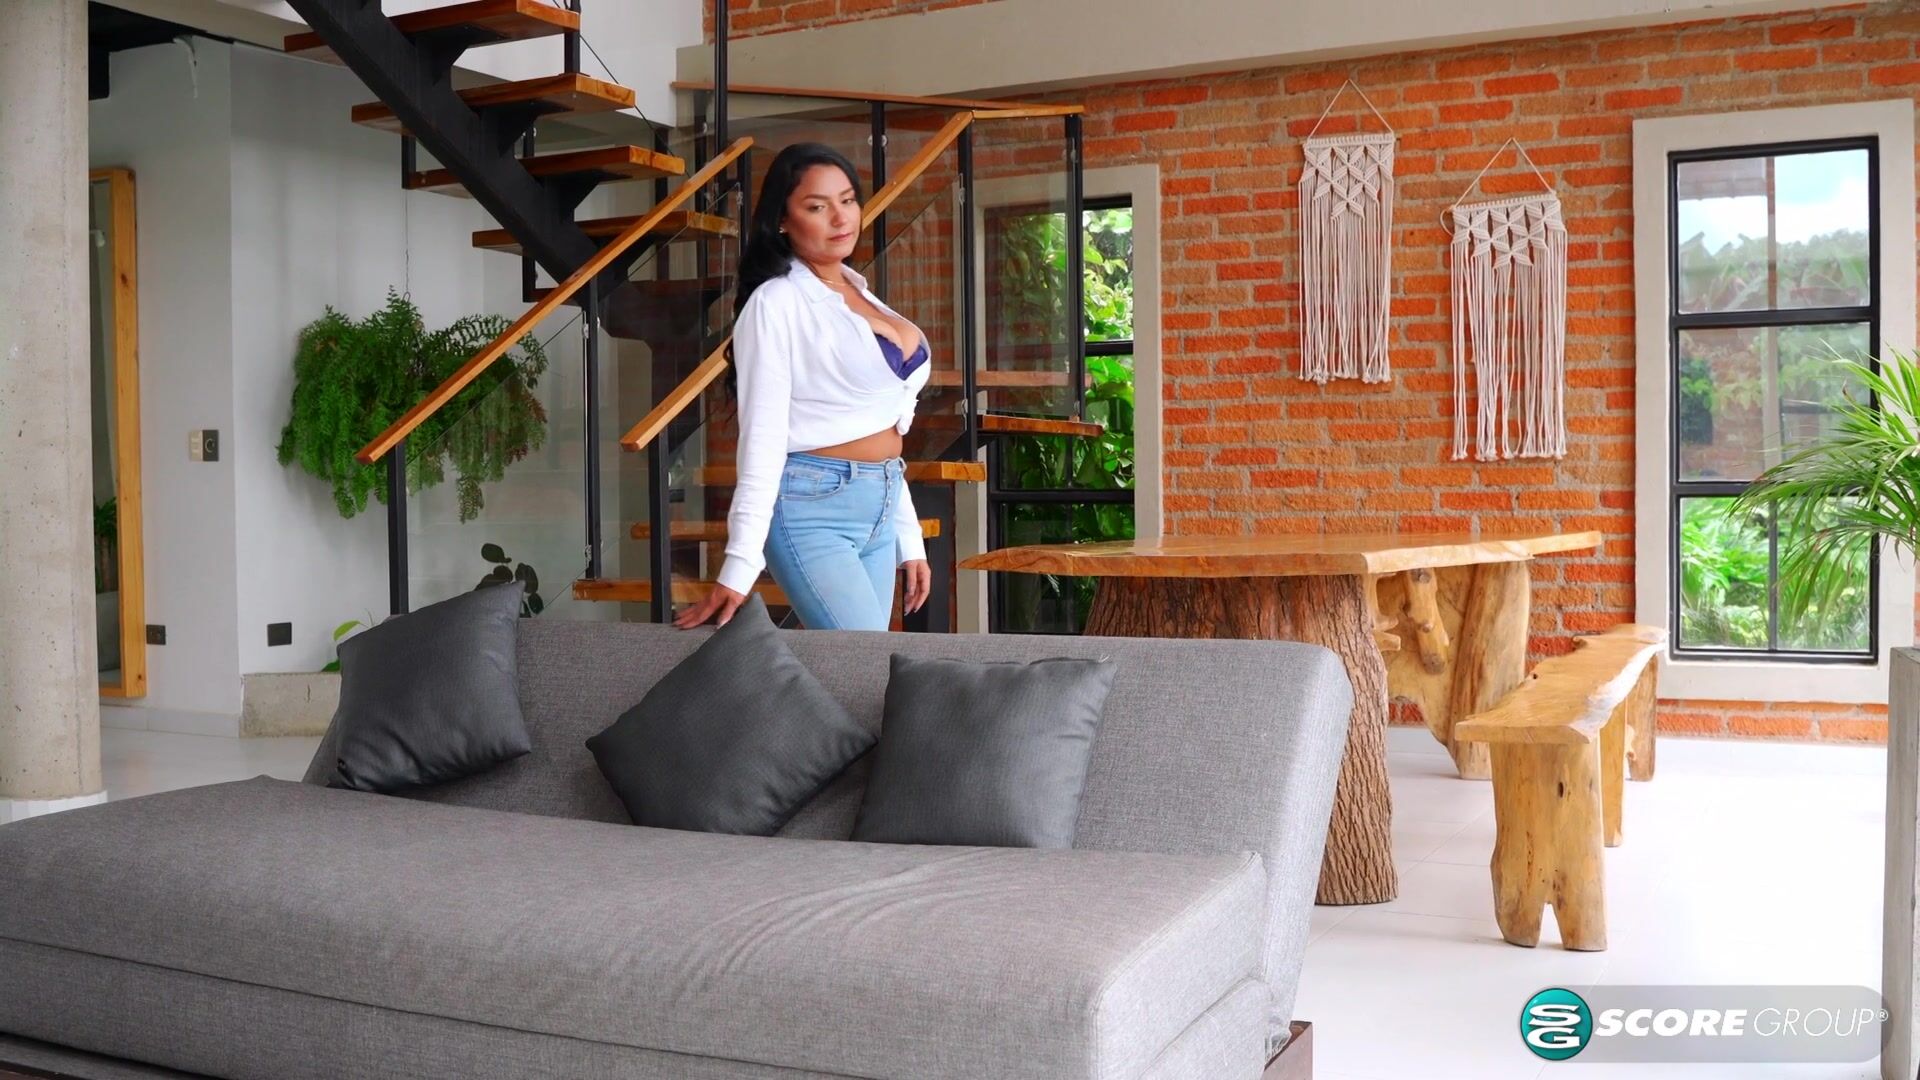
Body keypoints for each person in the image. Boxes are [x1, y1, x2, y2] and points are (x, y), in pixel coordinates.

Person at [674, 142, 934, 630]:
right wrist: (739, 565)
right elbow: (763, 438)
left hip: (881, 500)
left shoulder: (859, 293)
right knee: (863, 662)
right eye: (817, 207)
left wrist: (909, 537)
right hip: (810, 507)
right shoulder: (776, 302)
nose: (840, 217)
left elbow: (883, 423)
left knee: (862, 664)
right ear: (782, 220)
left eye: (848, 200)